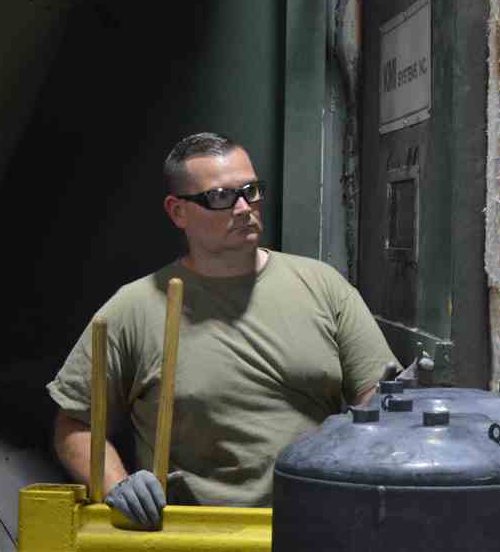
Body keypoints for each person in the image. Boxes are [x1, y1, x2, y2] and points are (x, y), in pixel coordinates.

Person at [48, 132, 399, 528]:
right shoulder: (135, 307)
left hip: (313, 525)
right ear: (178, 212)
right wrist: (116, 485)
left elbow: (379, 401)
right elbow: (73, 425)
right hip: (194, 532)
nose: (244, 207)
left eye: (251, 191)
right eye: (220, 197)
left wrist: (378, 422)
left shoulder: (322, 286)